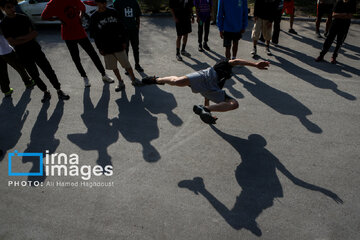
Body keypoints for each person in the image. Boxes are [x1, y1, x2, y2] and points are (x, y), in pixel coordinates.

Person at [141, 59, 269, 124]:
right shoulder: (223, 65)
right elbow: (236, 61)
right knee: (177, 82)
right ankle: (157, 79)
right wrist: (256, 64)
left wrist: (207, 109)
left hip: (211, 88)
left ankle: (206, 110)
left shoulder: (222, 82)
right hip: (204, 76)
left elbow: (207, 93)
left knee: (234, 104)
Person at [0, 0, 69, 103]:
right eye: (9, 7)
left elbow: (34, 33)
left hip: (35, 49)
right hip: (22, 54)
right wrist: (27, 37)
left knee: (48, 70)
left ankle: (59, 90)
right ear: (3, 9)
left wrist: (20, 39)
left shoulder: (23, 17)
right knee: (34, 75)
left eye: (13, 6)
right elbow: (11, 41)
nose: (12, 9)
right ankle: (45, 92)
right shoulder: (4, 24)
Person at [41, 0, 114, 88]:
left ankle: (103, 74)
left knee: (93, 54)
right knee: (76, 58)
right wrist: (58, 18)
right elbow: (44, 16)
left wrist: (80, 16)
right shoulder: (53, 3)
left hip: (80, 32)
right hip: (68, 35)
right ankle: (84, 77)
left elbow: (82, 8)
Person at [90, 0, 141, 91]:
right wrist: (99, 48)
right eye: (101, 3)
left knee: (126, 64)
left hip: (117, 43)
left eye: (104, 2)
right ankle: (120, 82)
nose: (103, 4)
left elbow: (121, 27)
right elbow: (95, 35)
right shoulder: (94, 17)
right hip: (106, 47)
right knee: (114, 67)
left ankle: (134, 80)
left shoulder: (113, 12)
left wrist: (123, 41)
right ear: (97, 3)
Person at [0, 10, 34, 97]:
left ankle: (6, 90)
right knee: (19, 67)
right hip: (6, 50)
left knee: (1, 72)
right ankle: (28, 82)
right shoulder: (2, 23)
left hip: (2, 51)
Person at [113, 0, 144, 72]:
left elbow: (138, 15)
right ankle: (127, 66)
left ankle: (137, 64)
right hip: (123, 30)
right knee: (125, 48)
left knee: (135, 47)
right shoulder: (117, 2)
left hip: (133, 29)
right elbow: (115, 17)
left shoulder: (134, 2)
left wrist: (138, 27)